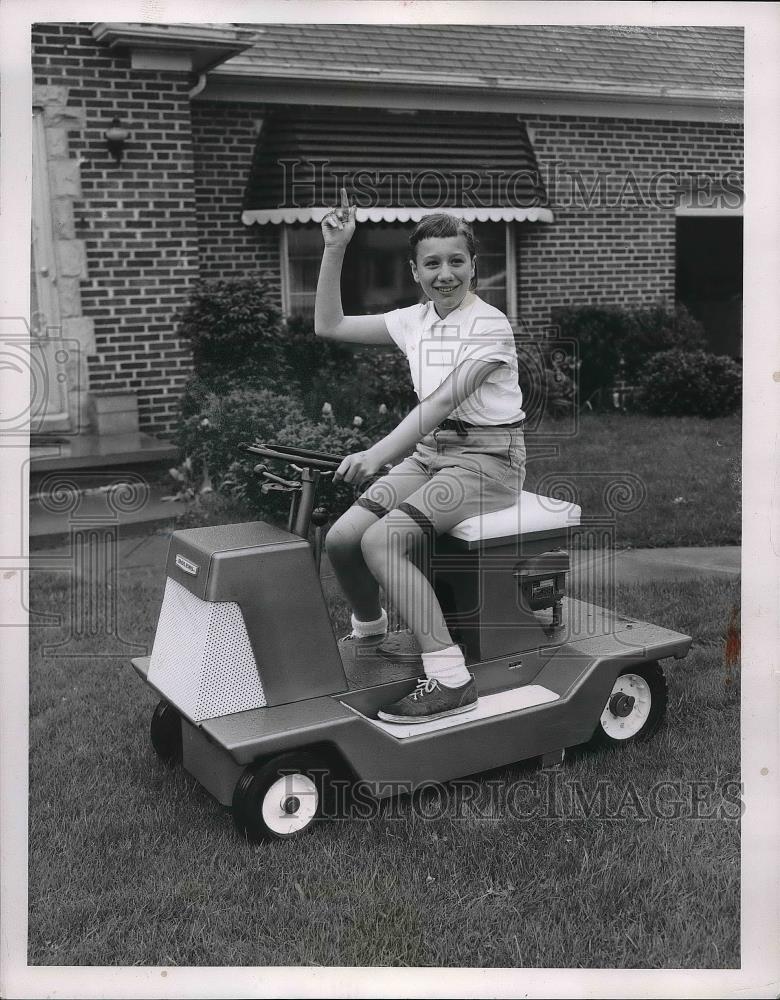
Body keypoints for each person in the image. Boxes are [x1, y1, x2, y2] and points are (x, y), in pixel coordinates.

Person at [315, 189, 526, 724]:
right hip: (431, 455)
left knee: (382, 541)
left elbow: (442, 401)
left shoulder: (490, 326)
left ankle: (452, 679)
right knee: (341, 538)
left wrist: (377, 452)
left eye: (457, 260)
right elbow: (329, 325)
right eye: (432, 263)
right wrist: (336, 248)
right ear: (415, 270)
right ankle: (371, 637)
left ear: (474, 265)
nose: (446, 273)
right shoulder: (415, 320)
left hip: (489, 461)